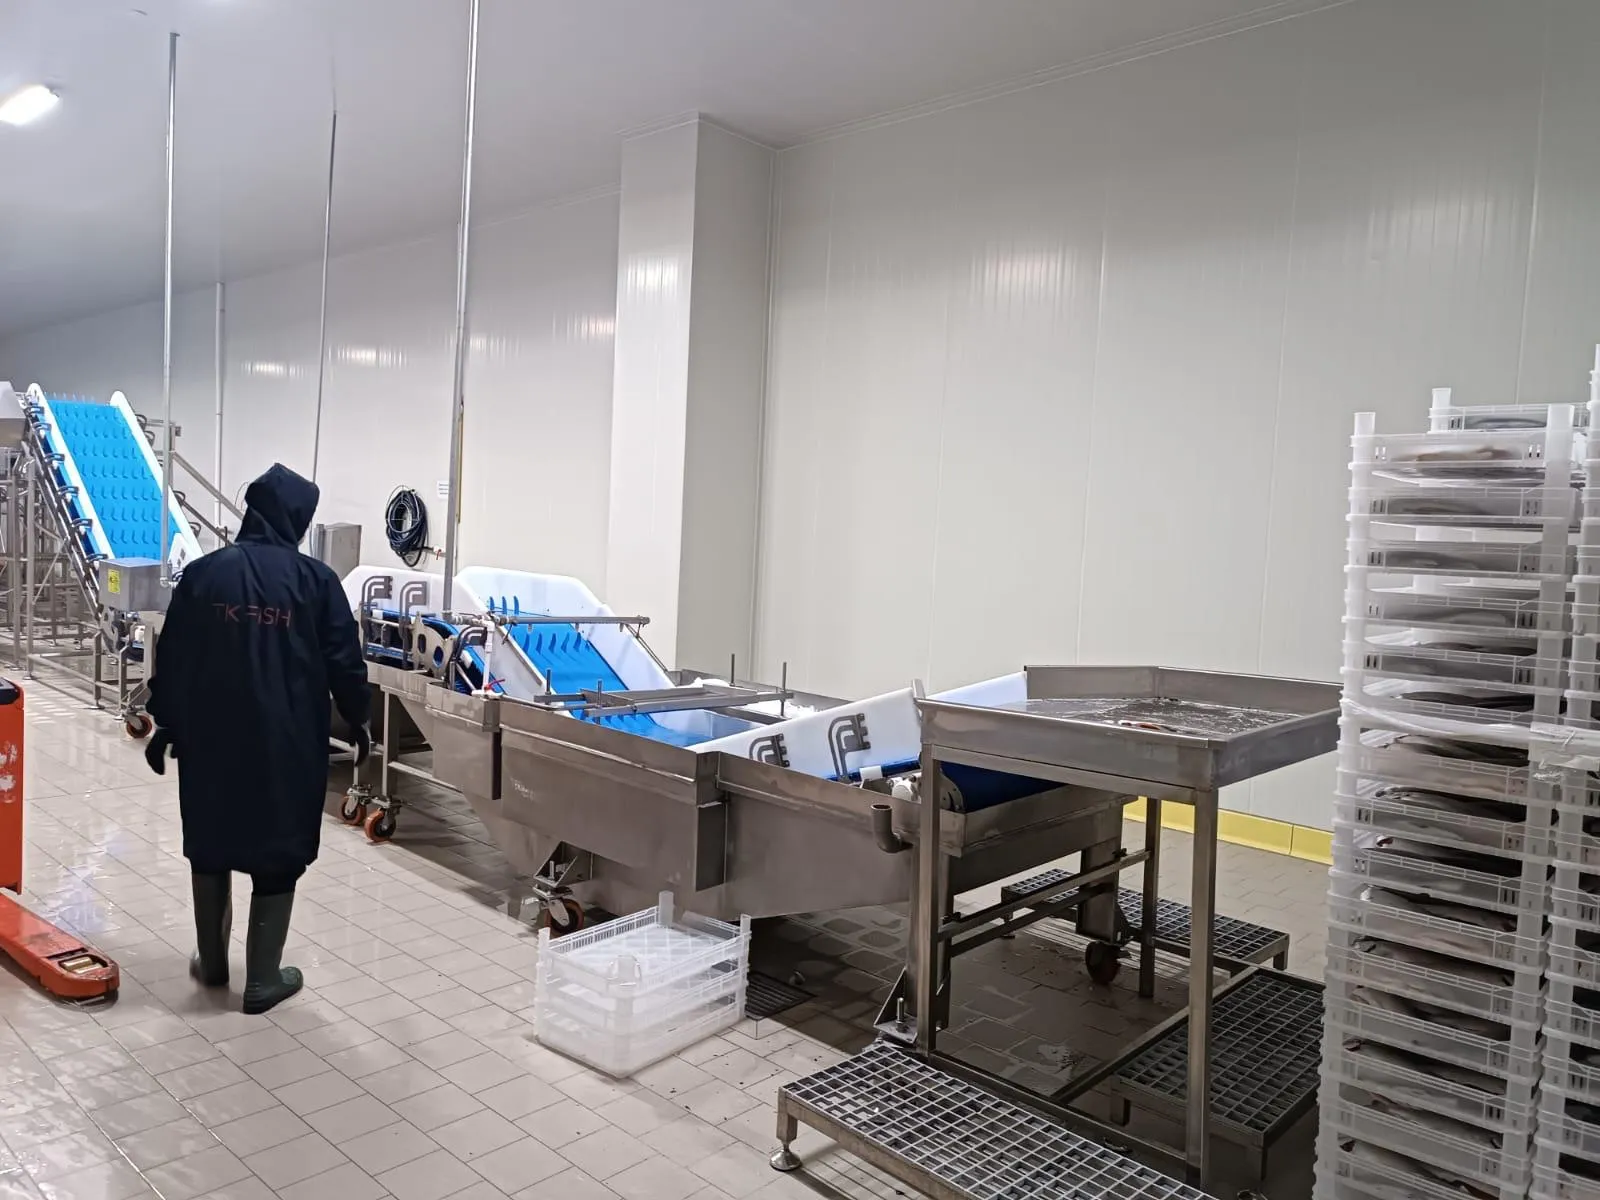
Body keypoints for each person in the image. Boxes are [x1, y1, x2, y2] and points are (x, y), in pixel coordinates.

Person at [145, 463, 370, 1014]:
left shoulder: (204, 575)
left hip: (209, 739)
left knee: (210, 839)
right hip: (285, 742)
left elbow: (173, 657)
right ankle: (263, 979)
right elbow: (345, 662)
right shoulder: (317, 583)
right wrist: (359, 718)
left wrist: (165, 721)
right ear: (296, 519)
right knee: (279, 845)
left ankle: (213, 962)